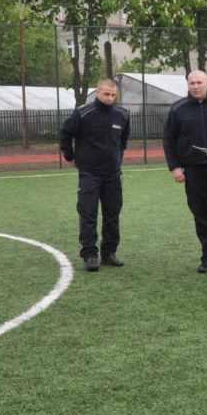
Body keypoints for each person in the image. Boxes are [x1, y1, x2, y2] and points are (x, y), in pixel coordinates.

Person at [163, 70, 207, 274]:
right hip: (193, 171)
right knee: (201, 216)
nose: (195, 86)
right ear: (187, 85)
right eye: (192, 83)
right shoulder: (178, 109)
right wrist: (175, 167)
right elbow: (169, 140)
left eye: (199, 82)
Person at [60, 78, 130, 272]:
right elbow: (65, 133)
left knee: (112, 214)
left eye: (113, 95)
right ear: (98, 92)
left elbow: (123, 141)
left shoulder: (123, 114)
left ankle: (109, 253)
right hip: (89, 173)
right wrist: (70, 156)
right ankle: (90, 254)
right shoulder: (83, 113)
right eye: (106, 94)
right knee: (88, 213)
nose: (110, 98)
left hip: (113, 175)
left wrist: (117, 160)